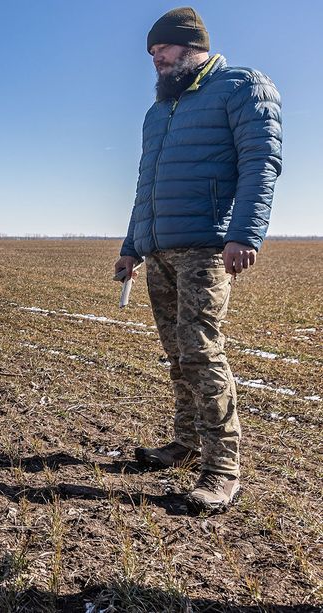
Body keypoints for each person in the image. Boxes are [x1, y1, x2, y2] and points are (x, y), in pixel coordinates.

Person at [115, 7, 282, 512]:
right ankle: (185, 443)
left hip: (207, 247)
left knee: (202, 352)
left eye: (162, 49)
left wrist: (245, 233)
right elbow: (147, 187)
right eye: (151, 53)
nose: (155, 59)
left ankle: (222, 468)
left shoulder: (241, 87)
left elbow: (261, 161)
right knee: (176, 355)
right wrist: (131, 246)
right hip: (160, 249)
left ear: (191, 46)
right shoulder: (158, 111)